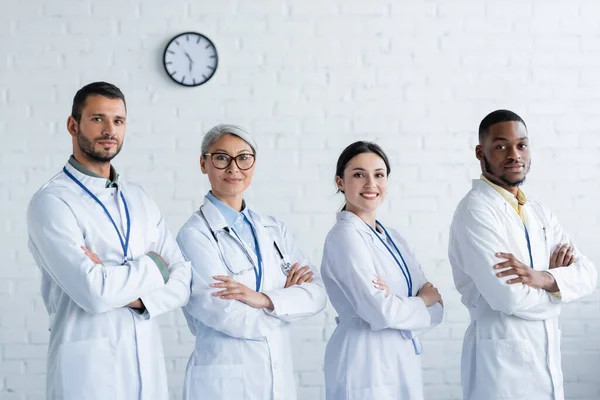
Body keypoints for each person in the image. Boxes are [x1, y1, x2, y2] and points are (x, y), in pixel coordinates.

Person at [27, 82, 191, 400]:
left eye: (118, 121)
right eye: (98, 118)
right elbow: (94, 293)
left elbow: (183, 280)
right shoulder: (51, 202)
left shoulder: (140, 198)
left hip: (147, 367)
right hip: (88, 374)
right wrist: (156, 266)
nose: (109, 130)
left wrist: (131, 293)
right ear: (73, 125)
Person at [448, 109, 598, 400]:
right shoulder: (476, 212)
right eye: (501, 145)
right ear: (481, 152)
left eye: (522, 145)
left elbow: (589, 274)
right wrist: (559, 289)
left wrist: (542, 278)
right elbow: (508, 298)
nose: (514, 154)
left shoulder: (539, 212)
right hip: (501, 369)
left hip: (546, 361)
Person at [176, 124, 327, 400]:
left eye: (244, 158)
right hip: (223, 382)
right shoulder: (194, 235)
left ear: (254, 164)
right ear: (203, 163)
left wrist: (263, 300)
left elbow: (317, 295)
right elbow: (228, 315)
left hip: (277, 376)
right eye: (222, 158)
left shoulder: (273, 228)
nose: (234, 168)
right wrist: (286, 303)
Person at [321, 141, 444, 400]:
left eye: (378, 175)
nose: (370, 184)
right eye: (358, 175)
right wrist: (420, 300)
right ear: (340, 182)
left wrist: (398, 305)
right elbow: (381, 312)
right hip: (363, 364)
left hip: (401, 359)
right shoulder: (345, 237)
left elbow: (438, 309)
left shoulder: (393, 238)